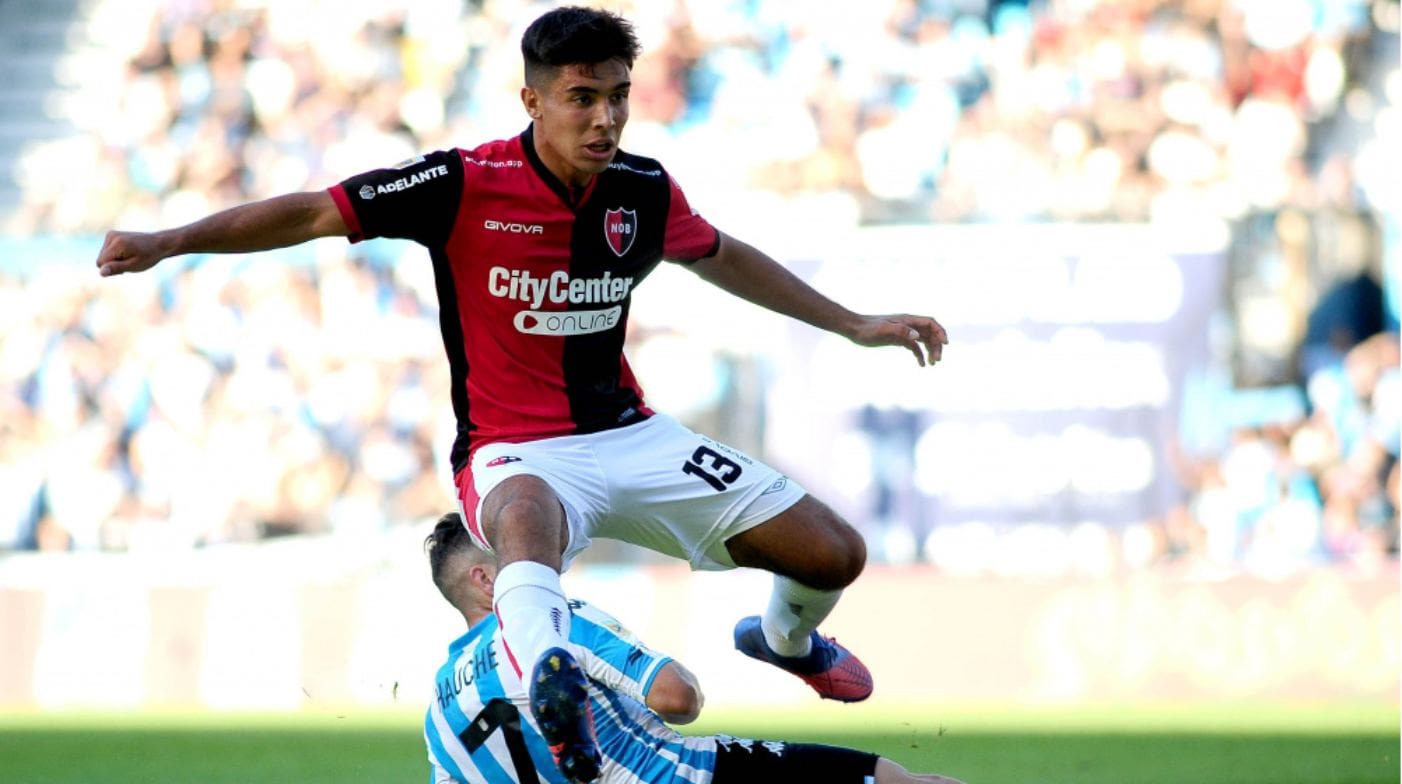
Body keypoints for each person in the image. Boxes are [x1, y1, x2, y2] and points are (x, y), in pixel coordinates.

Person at [95, 7, 947, 781]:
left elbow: (721, 255)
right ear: (532, 100)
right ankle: (554, 686)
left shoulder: (643, 193)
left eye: (617, 96)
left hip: (628, 432)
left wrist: (853, 323)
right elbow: (315, 213)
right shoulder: (461, 184)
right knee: (527, 517)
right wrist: (171, 241)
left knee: (834, 553)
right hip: (513, 447)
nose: (605, 118)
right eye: (582, 97)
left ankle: (784, 639)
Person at [424, 512, 965, 784]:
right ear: (486, 579)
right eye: (519, 557)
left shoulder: (438, 710)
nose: (541, 562)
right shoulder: (552, 621)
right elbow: (676, 698)